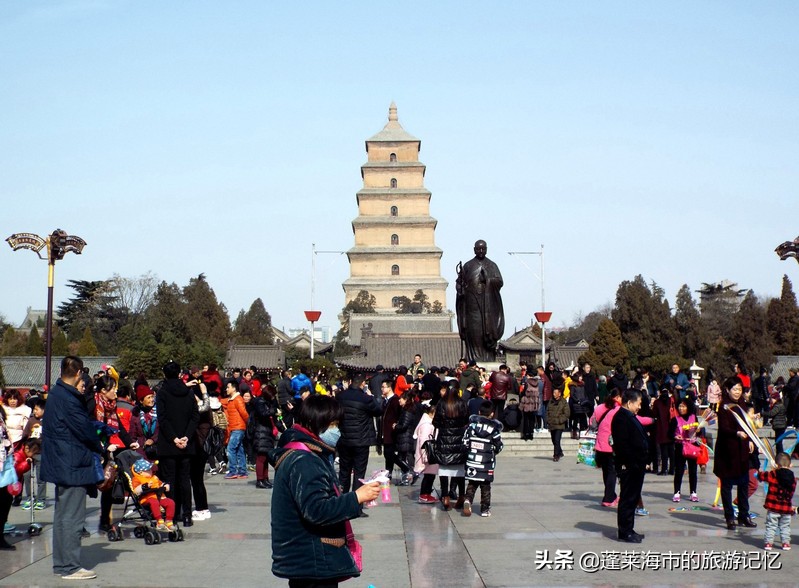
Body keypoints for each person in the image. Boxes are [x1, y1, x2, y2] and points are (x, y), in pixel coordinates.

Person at [269, 395, 380, 587]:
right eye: (333, 424)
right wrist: (356, 497)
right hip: (312, 558)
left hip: (306, 558)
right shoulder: (304, 460)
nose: (337, 430)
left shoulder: (303, 452)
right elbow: (316, 509)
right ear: (317, 423)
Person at [40, 356, 103, 580]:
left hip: (62, 462)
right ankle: (69, 566)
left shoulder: (57, 394)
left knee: (63, 516)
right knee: (72, 518)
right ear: (78, 374)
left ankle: (62, 564)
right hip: (72, 463)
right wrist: (100, 446)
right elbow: (85, 430)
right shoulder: (68, 398)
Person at [87, 375, 139, 533]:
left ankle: (104, 520)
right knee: (84, 487)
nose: (116, 392)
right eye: (113, 389)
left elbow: (119, 427)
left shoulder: (111, 405)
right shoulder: (93, 404)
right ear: (103, 390)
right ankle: (77, 524)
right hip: (91, 448)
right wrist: (105, 445)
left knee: (108, 483)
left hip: (105, 449)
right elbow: (89, 428)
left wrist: (129, 441)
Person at [156, 361, 200, 528]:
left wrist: (174, 438)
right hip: (187, 444)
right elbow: (195, 417)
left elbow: (162, 418)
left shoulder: (162, 393)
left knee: (170, 480)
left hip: (168, 444)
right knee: (184, 480)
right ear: (180, 374)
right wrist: (186, 437)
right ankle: (187, 515)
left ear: (164, 374)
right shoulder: (188, 392)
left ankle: (172, 515)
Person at [714, 376, 757, 531]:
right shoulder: (724, 406)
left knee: (744, 484)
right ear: (727, 390)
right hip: (727, 451)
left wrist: (751, 440)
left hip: (741, 450)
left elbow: (748, 425)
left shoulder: (742, 404)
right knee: (726, 486)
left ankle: (744, 515)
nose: (738, 392)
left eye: (740, 389)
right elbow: (724, 428)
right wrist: (737, 433)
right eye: (735, 389)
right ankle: (729, 517)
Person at [337, 375, 381, 515]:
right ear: (363, 384)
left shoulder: (340, 396)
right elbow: (378, 410)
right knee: (359, 473)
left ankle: (341, 502)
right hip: (361, 440)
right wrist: (371, 396)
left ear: (350, 382)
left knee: (344, 472)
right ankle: (356, 506)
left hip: (344, 439)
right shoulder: (365, 399)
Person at [455, 239, 505, 362]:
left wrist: (488, 279)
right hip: (472, 304)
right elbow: (459, 283)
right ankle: (473, 358)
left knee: (486, 331)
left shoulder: (492, 265)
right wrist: (461, 290)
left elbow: (500, 282)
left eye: (483, 249)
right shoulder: (468, 265)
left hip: (487, 304)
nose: (481, 251)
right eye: (478, 249)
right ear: (474, 250)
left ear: (486, 249)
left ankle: (488, 357)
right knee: (474, 331)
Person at [611, 389, 649, 543]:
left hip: (636, 465)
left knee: (633, 498)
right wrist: (632, 463)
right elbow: (622, 445)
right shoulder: (621, 418)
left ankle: (629, 528)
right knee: (627, 498)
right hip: (629, 466)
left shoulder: (630, 416)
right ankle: (625, 532)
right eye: (638, 403)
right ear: (629, 402)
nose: (640, 407)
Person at [461, 401, 503, 518]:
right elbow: (499, 445)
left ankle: (468, 500)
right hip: (487, 463)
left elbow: (464, 442)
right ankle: (484, 509)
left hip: (472, 461)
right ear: (492, 414)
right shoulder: (494, 429)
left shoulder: (471, 426)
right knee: (486, 487)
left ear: (479, 412)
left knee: (472, 484)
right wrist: (493, 451)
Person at [433, 384, 469, 510]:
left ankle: (445, 496)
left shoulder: (442, 403)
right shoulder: (462, 403)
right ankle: (461, 496)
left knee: (444, 469)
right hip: (459, 440)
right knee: (460, 470)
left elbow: (435, 422)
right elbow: (466, 420)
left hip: (444, 440)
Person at [760, 452, 796, 551]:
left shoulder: (773, 474)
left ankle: (768, 543)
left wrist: (757, 474)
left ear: (776, 465)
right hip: (786, 507)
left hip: (773, 507)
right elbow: (791, 492)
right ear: (790, 465)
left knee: (771, 526)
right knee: (785, 526)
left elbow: (762, 476)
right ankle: (786, 543)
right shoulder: (793, 478)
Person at [131, 458, 176, 531]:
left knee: (170, 502)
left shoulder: (154, 478)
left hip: (159, 497)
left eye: (150, 469)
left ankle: (169, 521)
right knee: (153, 501)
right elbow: (135, 490)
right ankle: (159, 521)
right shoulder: (137, 479)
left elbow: (161, 483)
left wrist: (165, 486)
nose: (151, 471)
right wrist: (144, 486)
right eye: (148, 470)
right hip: (146, 498)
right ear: (141, 472)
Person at [670, 398, 700, 503]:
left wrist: (698, 431)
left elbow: (700, 432)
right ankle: (677, 492)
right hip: (680, 447)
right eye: (680, 406)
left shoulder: (694, 417)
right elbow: (669, 434)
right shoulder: (675, 419)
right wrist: (675, 436)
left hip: (692, 447)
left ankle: (693, 492)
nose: (681, 408)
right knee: (679, 471)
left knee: (693, 471)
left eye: (683, 406)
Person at [251, 385, 280, 489]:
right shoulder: (260, 402)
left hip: (267, 432)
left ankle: (265, 478)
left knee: (266, 457)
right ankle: (260, 480)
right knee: (261, 457)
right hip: (261, 432)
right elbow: (263, 414)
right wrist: (274, 410)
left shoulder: (269, 403)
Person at [222, 379, 249, 479]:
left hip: (238, 427)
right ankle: (242, 471)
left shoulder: (237, 399)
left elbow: (244, 413)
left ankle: (233, 471)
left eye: (228, 387)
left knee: (231, 448)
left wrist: (248, 422)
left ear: (234, 388)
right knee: (239, 449)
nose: (226, 389)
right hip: (236, 427)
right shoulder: (232, 399)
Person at [546, 387, 569, 461]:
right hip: (552, 424)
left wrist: (560, 420)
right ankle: (560, 452)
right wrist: (547, 419)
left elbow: (567, 413)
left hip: (559, 425)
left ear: (559, 394)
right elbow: (547, 411)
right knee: (553, 440)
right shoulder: (551, 401)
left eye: (555, 393)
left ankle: (556, 455)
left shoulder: (563, 402)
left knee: (557, 440)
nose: (553, 394)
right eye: (553, 393)